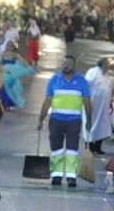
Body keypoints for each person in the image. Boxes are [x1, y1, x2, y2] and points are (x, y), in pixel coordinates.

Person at [38, 54, 92, 188]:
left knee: (72, 149)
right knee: (56, 148)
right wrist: (41, 118)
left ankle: (71, 177)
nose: (66, 65)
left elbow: (87, 102)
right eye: (64, 63)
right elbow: (47, 101)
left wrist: (89, 120)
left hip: (74, 121)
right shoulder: (54, 80)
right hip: (56, 120)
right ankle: (56, 175)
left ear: (74, 65)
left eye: (69, 63)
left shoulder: (81, 81)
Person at [85, 58, 112, 156]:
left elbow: (109, 88)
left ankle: (98, 147)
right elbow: (86, 85)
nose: (109, 66)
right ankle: (90, 147)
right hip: (94, 104)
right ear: (103, 64)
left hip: (104, 106)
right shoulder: (92, 72)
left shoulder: (106, 75)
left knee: (102, 127)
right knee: (92, 125)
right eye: (108, 64)